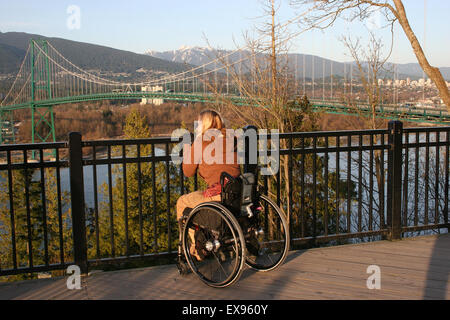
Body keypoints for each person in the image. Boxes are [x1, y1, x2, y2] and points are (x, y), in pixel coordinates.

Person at [176, 110, 241, 260]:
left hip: (218, 198)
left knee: (182, 202)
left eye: (199, 123)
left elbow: (187, 171)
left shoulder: (201, 142)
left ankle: (196, 248)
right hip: (235, 194)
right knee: (199, 198)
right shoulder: (232, 138)